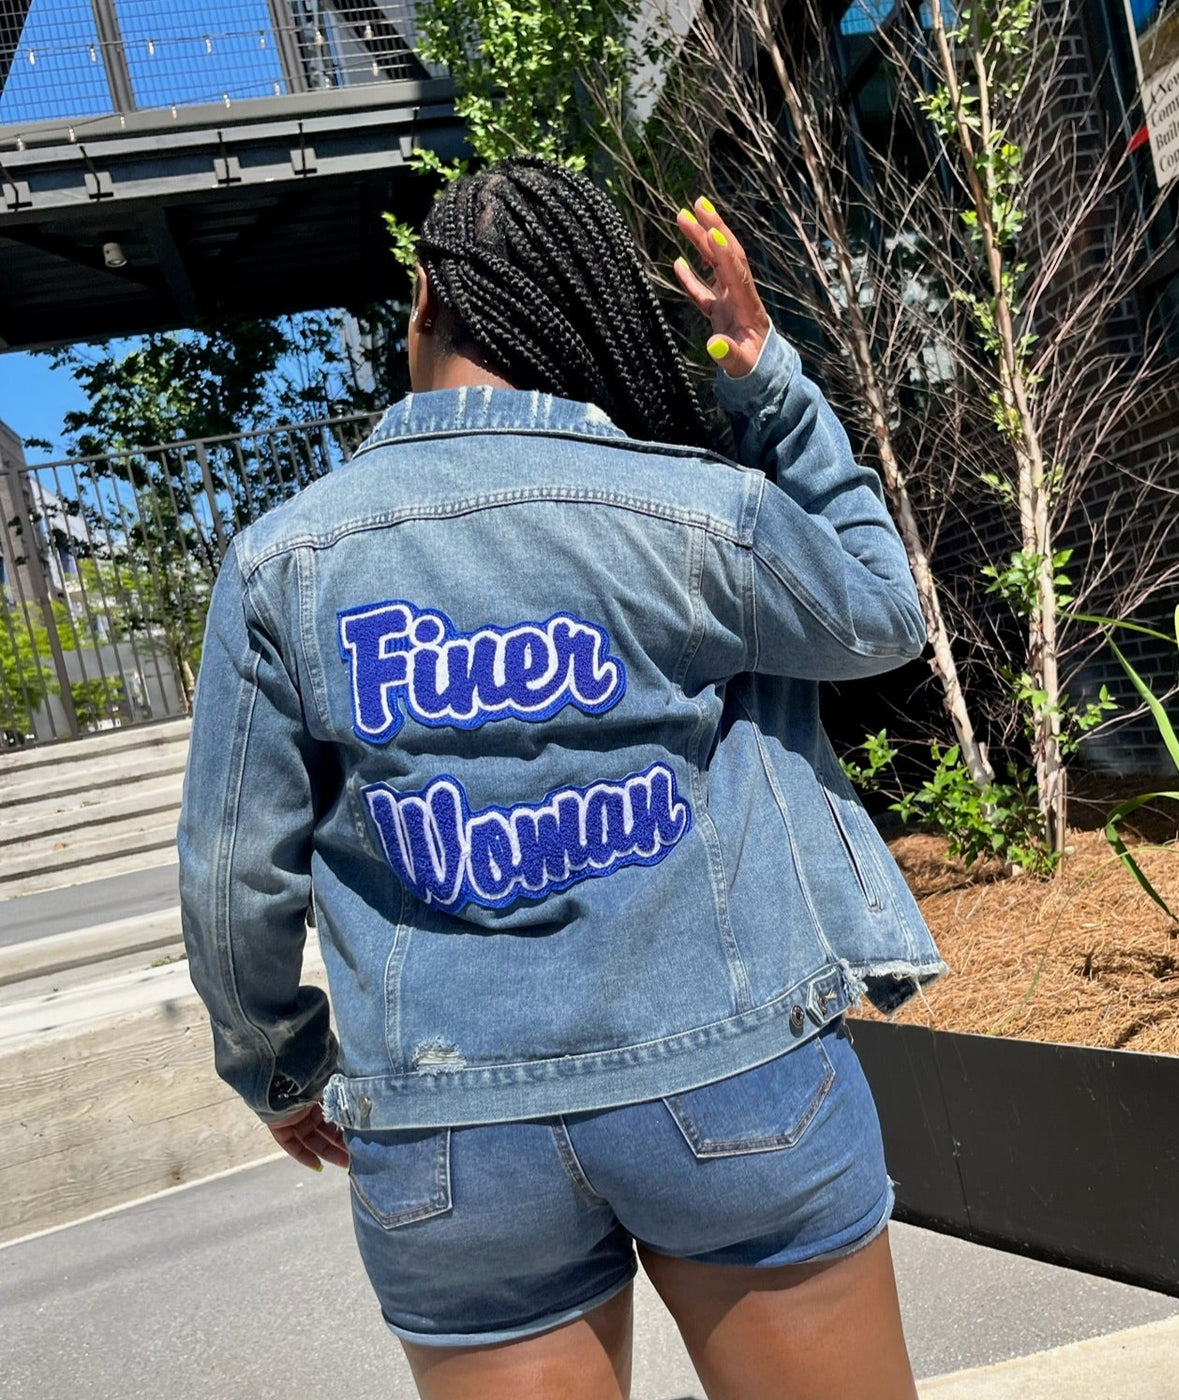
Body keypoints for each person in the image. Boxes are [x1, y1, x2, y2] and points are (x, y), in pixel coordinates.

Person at [178, 156, 946, 1400]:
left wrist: (279, 1067)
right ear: (589, 312)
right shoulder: (691, 511)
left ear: (422, 299)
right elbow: (879, 613)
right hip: (729, 1080)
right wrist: (773, 387)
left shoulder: (282, 564)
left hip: (451, 1138)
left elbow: (230, 882)